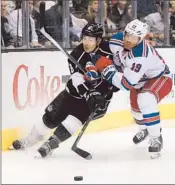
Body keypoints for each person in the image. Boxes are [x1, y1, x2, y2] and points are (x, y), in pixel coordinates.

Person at [11, 23, 119, 158]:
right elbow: (76, 78)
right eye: (84, 38)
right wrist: (88, 92)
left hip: (95, 99)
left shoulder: (110, 51)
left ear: (98, 40)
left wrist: (112, 86)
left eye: (90, 39)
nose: (86, 42)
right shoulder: (77, 54)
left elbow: (120, 71)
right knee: (50, 118)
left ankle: (51, 144)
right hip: (74, 93)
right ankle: (30, 139)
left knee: (73, 121)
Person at [92, 19, 172, 159]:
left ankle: (156, 137)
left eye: (134, 37)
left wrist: (108, 71)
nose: (128, 39)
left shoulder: (141, 55)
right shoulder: (116, 40)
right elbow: (108, 54)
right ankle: (144, 130)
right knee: (135, 112)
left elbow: (126, 84)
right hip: (138, 81)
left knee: (145, 100)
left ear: (140, 39)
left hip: (160, 78)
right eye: (127, 35)